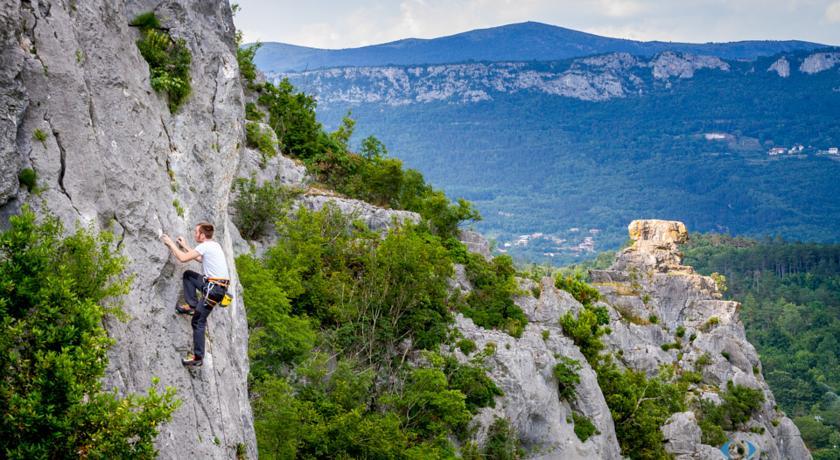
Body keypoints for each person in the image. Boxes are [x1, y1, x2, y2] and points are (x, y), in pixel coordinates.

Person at [161, 222, 230, 367]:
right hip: (215, 287)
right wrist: (185, 246)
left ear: (202, 235)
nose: (194, 234)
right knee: (189, 275)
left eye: (196, 232)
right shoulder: (214, 245)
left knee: (198, 322)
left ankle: (198, 358)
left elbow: (182, 258)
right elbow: (199, 258)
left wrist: (170, 244)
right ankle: (192, 306)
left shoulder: (205, 246)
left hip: (213, 289)